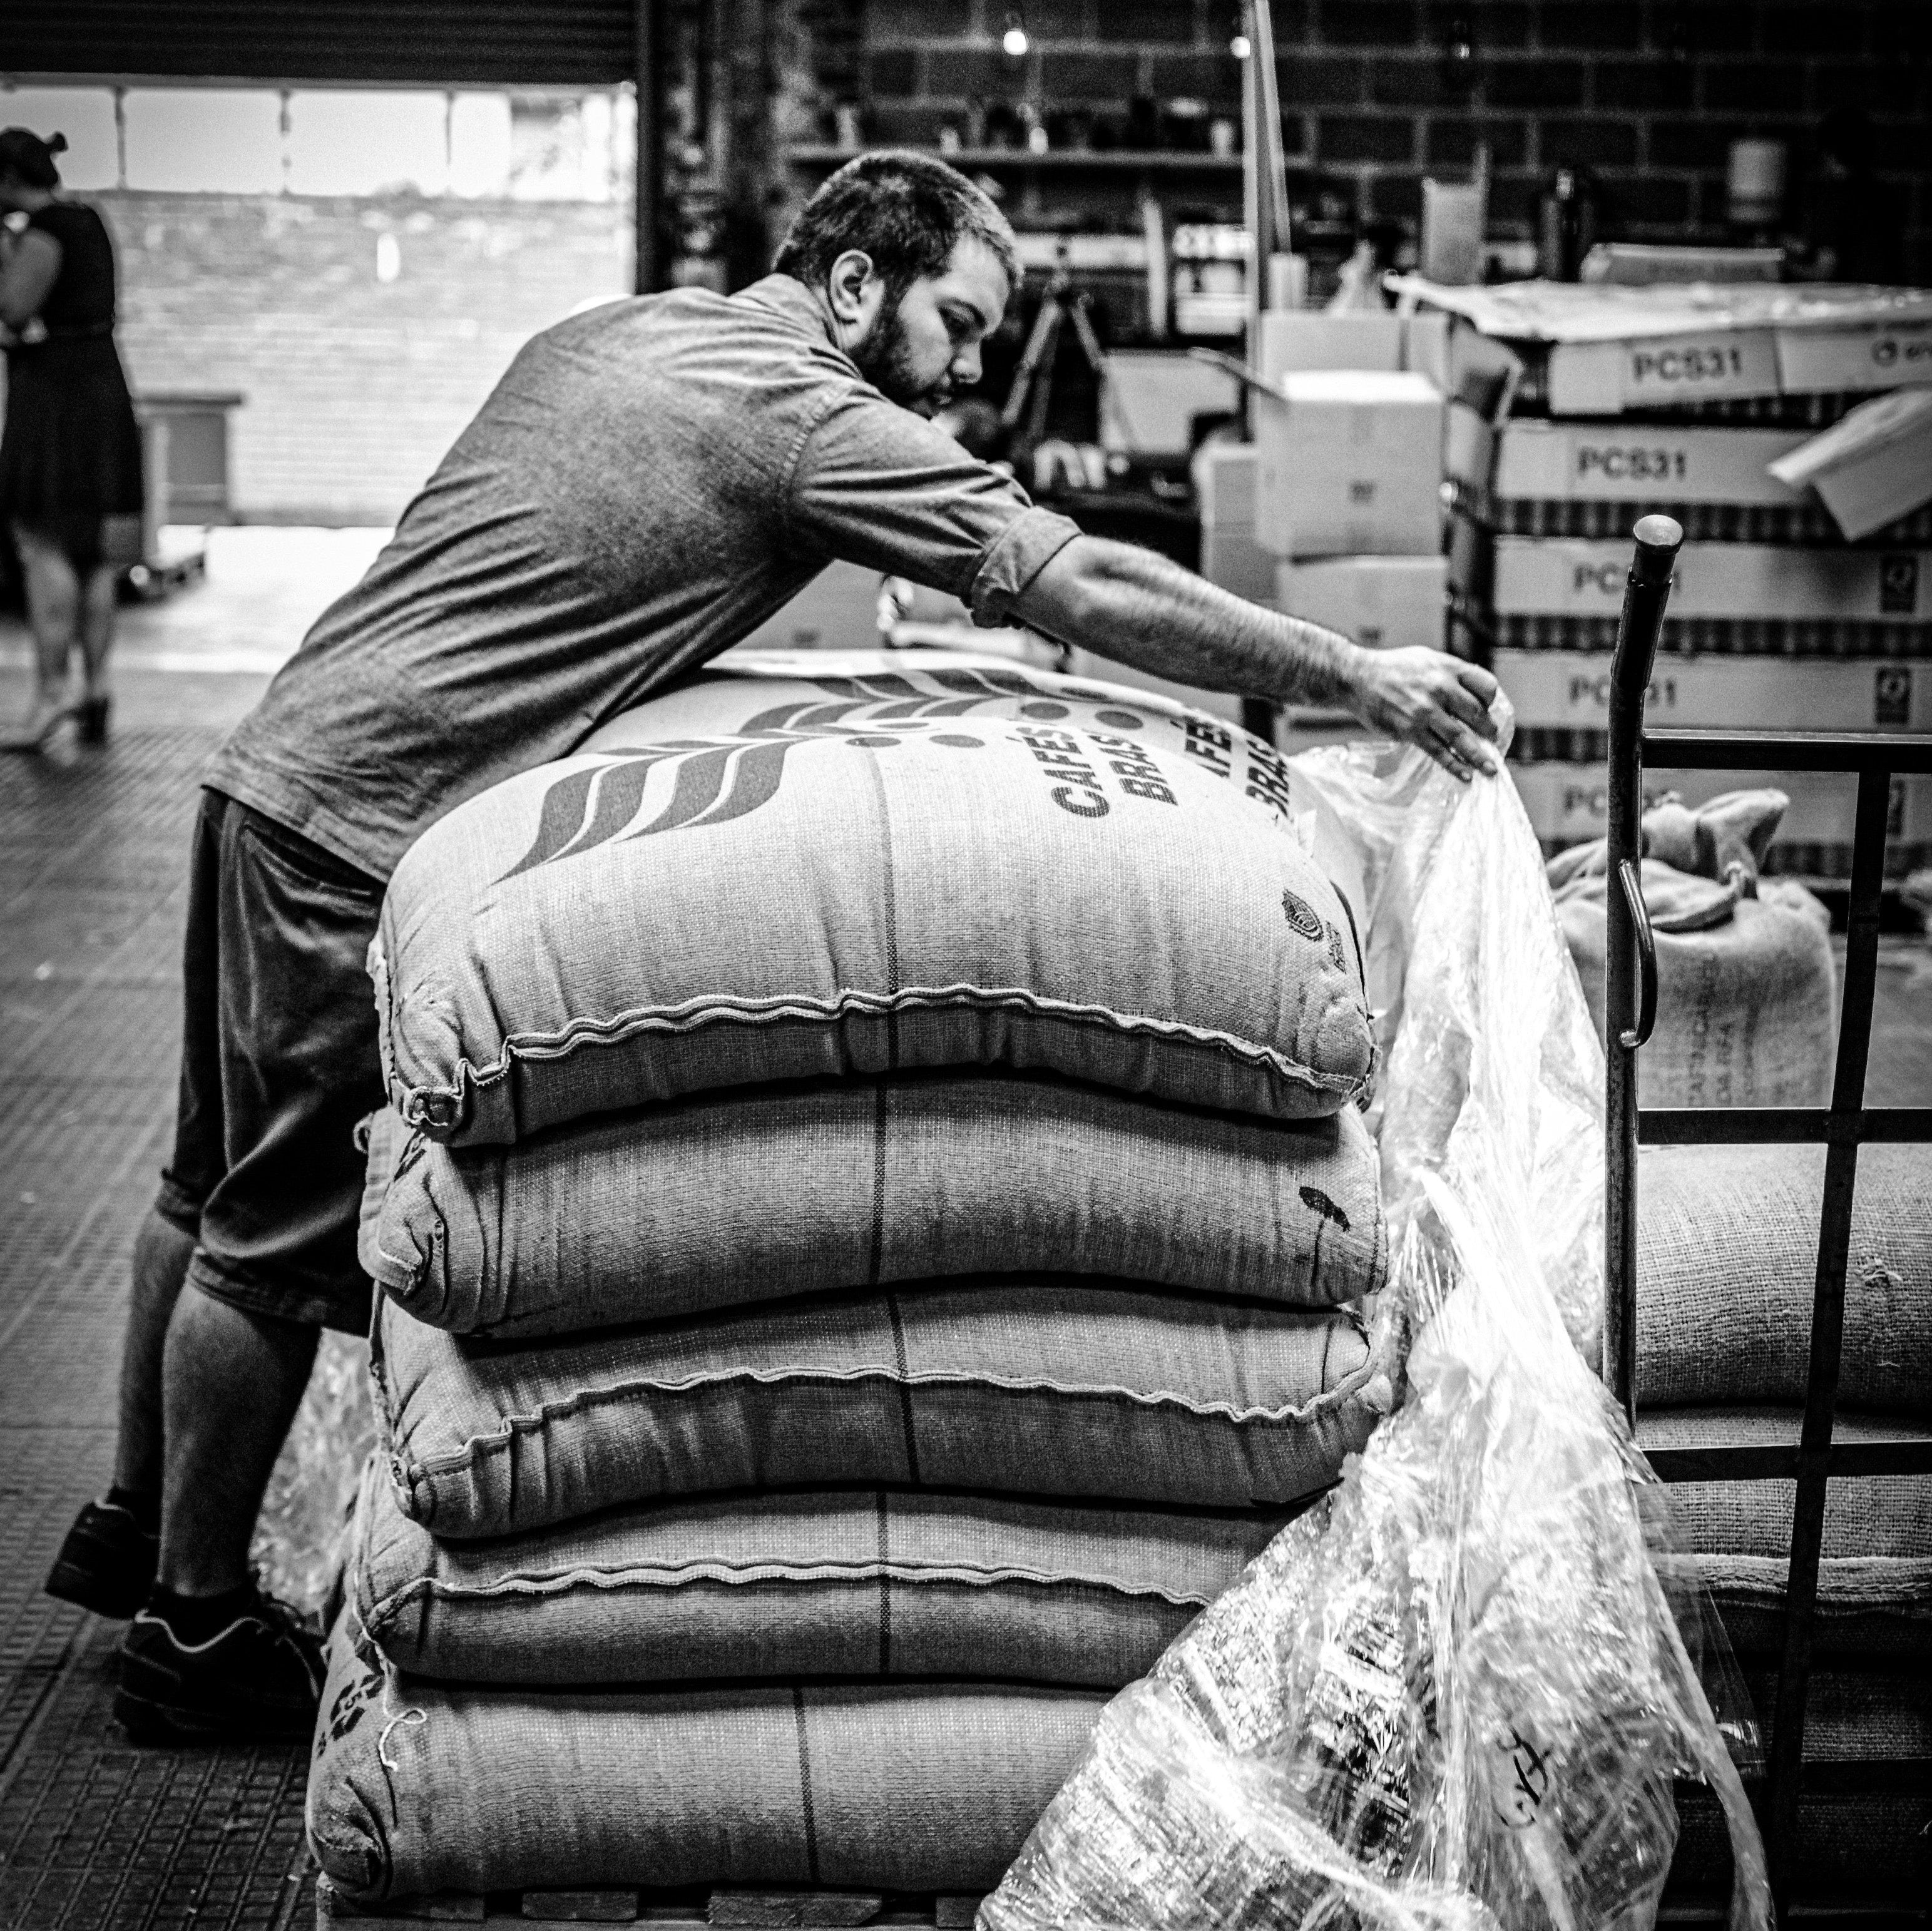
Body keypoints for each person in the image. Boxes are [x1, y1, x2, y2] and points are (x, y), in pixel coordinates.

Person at [44, 150, 1500, 1743]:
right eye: (957, 319)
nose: (970, 367)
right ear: (858, 285)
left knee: (200, 1185)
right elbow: (1068, 574)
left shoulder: (627, 332)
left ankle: (130, 1530)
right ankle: (186, 1633)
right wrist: (1355, 672)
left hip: (268, 772)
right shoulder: (806, 412)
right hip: (362, 827)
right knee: (273, 1240)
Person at [0, 127, 145, 750]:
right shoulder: (88, 221)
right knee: (90, 549)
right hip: (101, 387)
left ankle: (54, 687)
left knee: (41, 539)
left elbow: (12, 308)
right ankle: (96, 685)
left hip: (58, 397)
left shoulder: (45, 232)